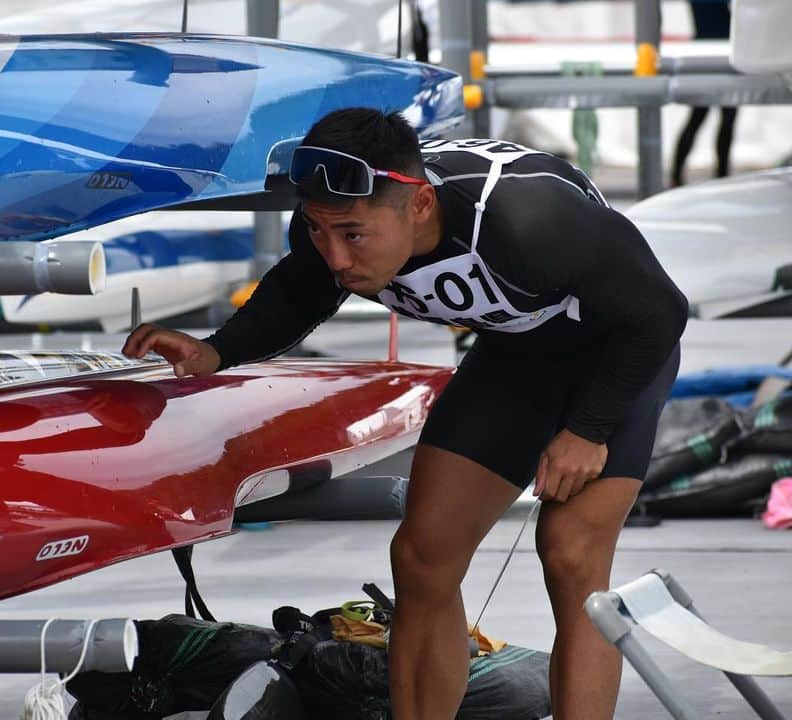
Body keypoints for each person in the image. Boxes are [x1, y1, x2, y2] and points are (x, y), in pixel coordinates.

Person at [123, 108, 688, 719]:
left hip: (617, 352)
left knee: (571, 552)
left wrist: (588, 431)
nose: (335, 255)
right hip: (518, 354)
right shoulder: (337, 221)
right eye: (317, 230)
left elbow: (659, 311)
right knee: (421, 559)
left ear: (418, 206)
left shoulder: (530, 223)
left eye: (353, 235)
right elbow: (301, 288)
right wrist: (216, 351)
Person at [670, 0, 736, 187]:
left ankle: (677, 174)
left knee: (699, 117)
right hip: (724, 53)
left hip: (705, 52)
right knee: (724, 118)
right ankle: (722, 175)